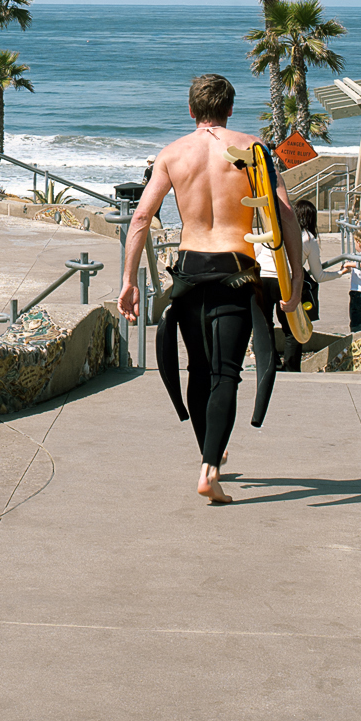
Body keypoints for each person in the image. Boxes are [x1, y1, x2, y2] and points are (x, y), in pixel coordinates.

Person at [121, 73, 302, 506]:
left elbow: (142, 218)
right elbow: (286, 214)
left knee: (198, 372)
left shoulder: (172, 153)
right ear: (230, 109)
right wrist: (292, 281)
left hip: (187, 272)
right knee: (226, 373)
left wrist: (128, 281)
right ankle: (210, 469)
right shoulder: (252, 150)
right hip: (235, 270)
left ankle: (210, 451)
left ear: (191, 110)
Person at [256, 197, 321, 372]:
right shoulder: (308, 238)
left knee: (265, 324)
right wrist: (340, 273)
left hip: (262, 277)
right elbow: (318, 274)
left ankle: (270, 364)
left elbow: (257, 252)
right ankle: (291, 367)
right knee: (292, 327)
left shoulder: (274, 229)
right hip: (286, 280)